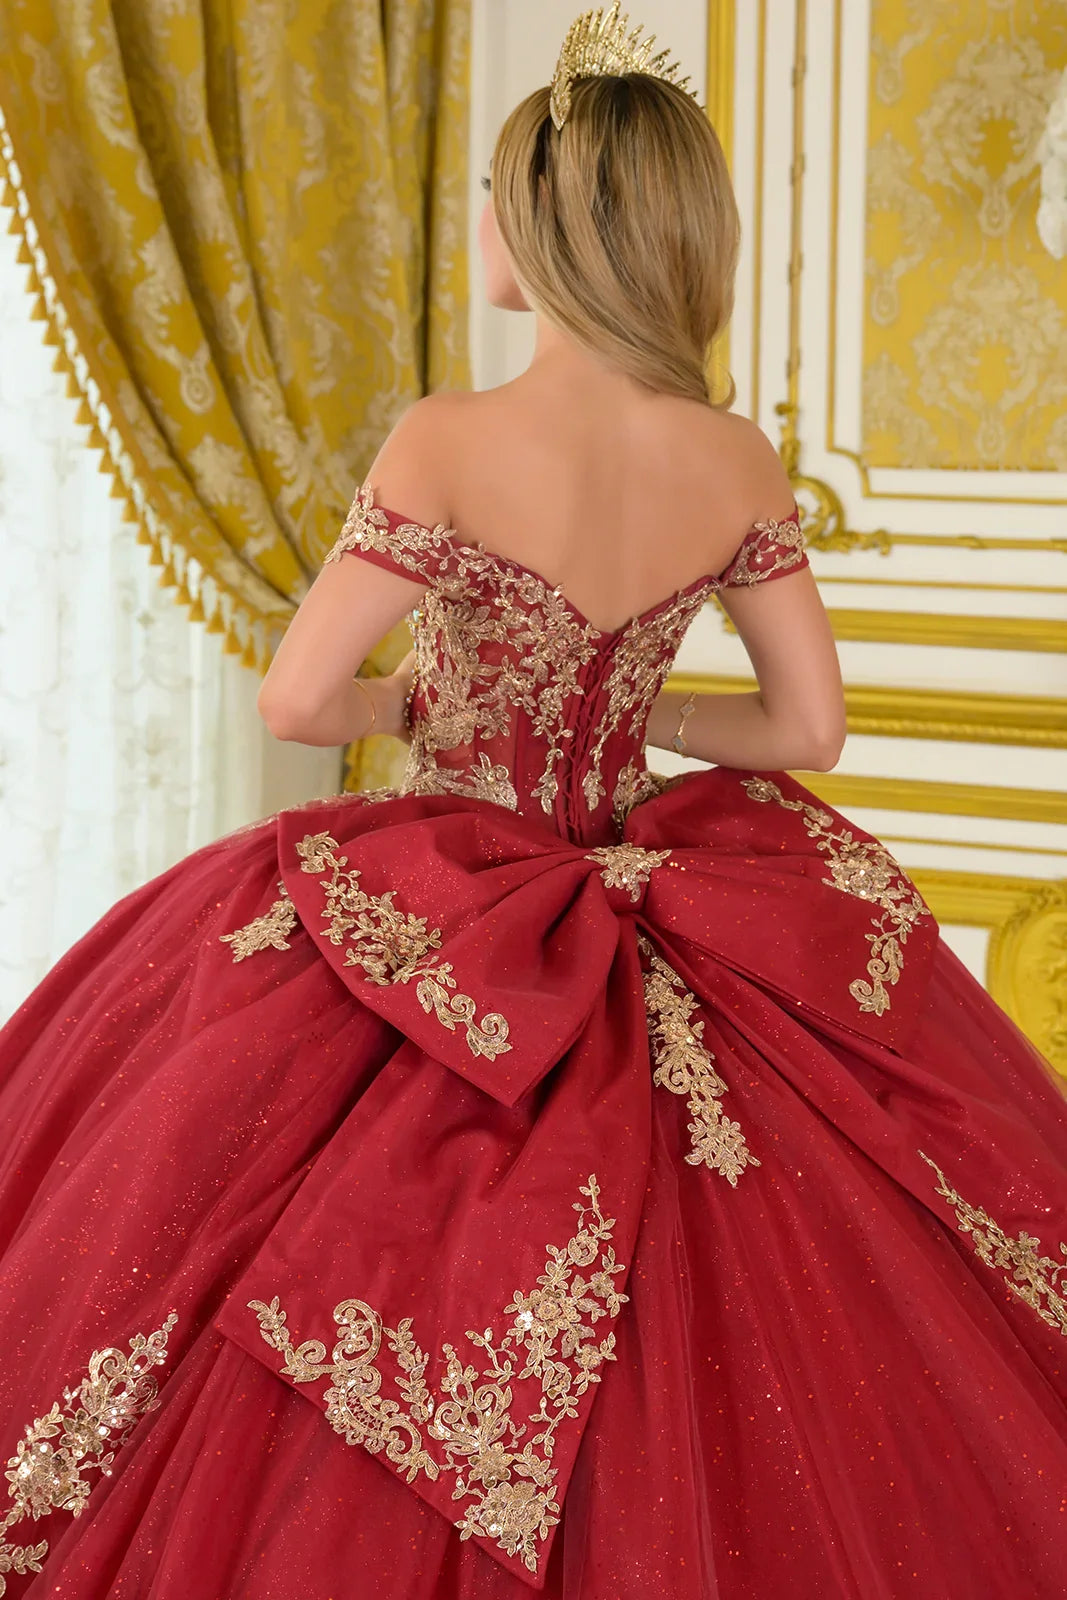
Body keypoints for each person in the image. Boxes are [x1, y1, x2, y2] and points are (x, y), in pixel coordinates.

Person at [1, 7, 1066, 1597]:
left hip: (447, 886)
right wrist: (641, 717)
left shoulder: (451, 436)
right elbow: (809, 728)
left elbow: (297, 701)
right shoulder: (734, 457)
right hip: (647, 880)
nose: (483, 225)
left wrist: (417, 707)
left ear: (552, 227)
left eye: (501, 198)